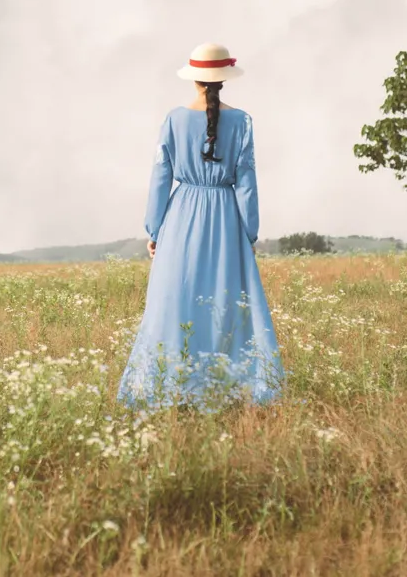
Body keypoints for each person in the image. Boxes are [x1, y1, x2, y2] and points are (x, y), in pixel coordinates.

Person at [117, 43, 285, 410]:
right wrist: (248, 232)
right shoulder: (242, 121)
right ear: (224, 79)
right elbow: (247, 183)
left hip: (181, 217)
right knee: (224, 301)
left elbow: (160, 177)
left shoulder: (174, 119)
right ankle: (228, 387)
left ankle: (170, 384)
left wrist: (155, 229)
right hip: (226, 217)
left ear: (193, 78)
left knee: (175, 298)